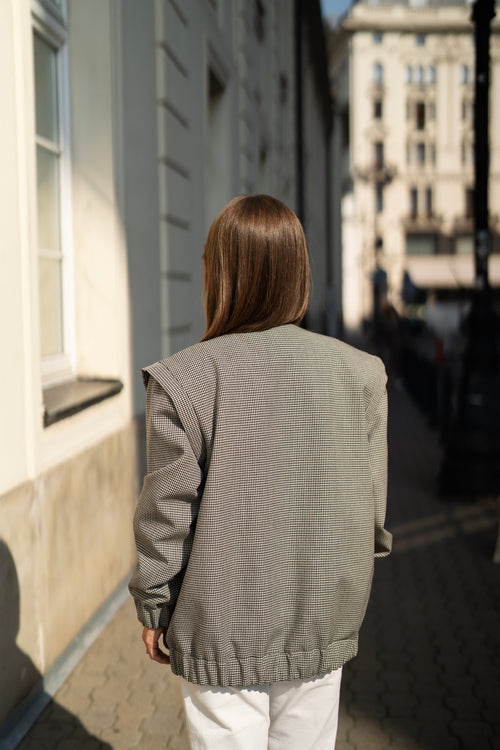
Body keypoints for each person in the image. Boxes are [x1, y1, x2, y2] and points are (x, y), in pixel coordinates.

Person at [129, 194, 392, 750]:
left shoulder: (184, 378)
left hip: (222, 617)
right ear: (299, 273)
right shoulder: (361, 374)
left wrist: (155, 601)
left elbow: (167, 511)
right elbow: (370, 506)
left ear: (221, 274)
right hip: (322, 612)